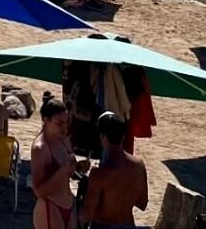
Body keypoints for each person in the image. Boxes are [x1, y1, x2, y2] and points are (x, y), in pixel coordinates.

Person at [80, 112, 148, 229]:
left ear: (103, 137)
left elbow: (86, 215)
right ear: (123, 136)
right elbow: (142, 203)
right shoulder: (138, 165)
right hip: (128, 225)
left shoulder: (99, 174)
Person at [32, 98, 81, 229]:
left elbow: (68, 172)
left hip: (68, 202)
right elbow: (39, 191)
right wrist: (63, 171)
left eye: (66, 122)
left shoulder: (64, 140)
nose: (65, 128)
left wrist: (78, 167)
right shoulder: (41, 148)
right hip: (50, 205)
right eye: (59, 123)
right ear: (46, 121)